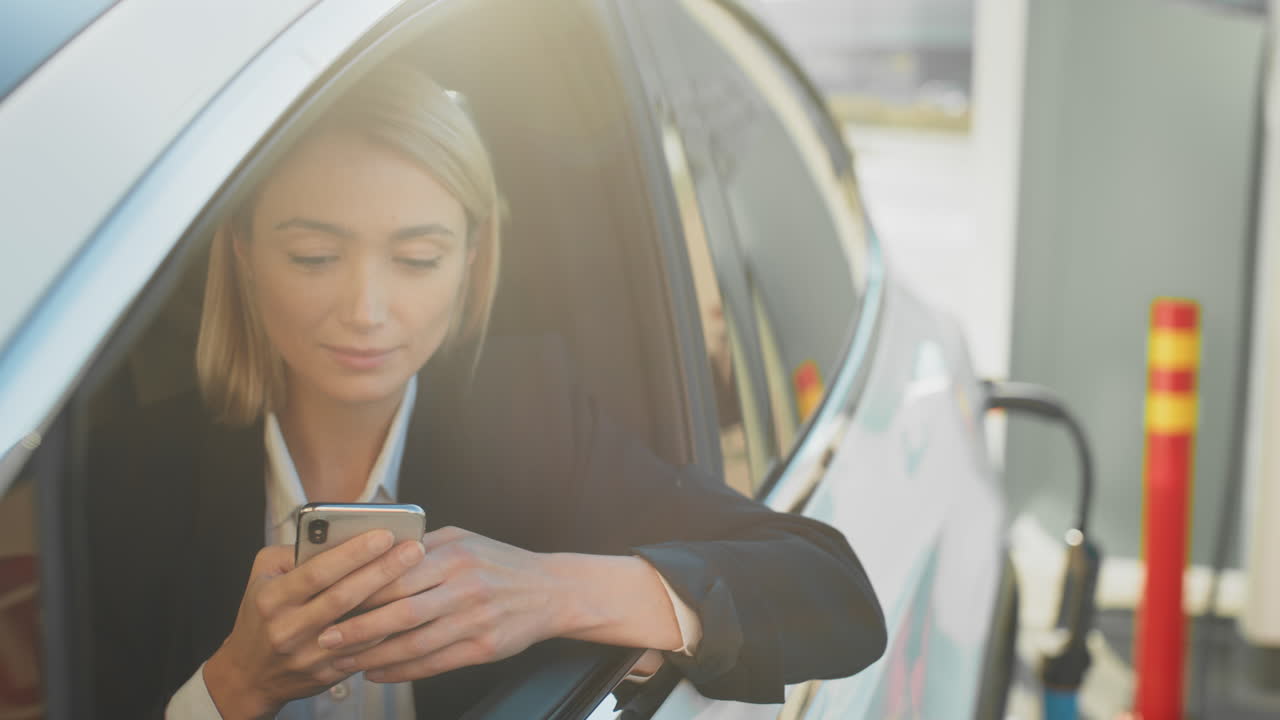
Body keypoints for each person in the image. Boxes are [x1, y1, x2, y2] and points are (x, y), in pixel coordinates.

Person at [87, 61, 886, 719]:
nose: (366, 311)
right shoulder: (129, 471)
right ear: (242, 253)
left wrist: (549, 591)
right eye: (314, 258)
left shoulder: (528, 416)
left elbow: (835, 596)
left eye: (418, 260)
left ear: (471, 259)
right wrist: (232, 688)